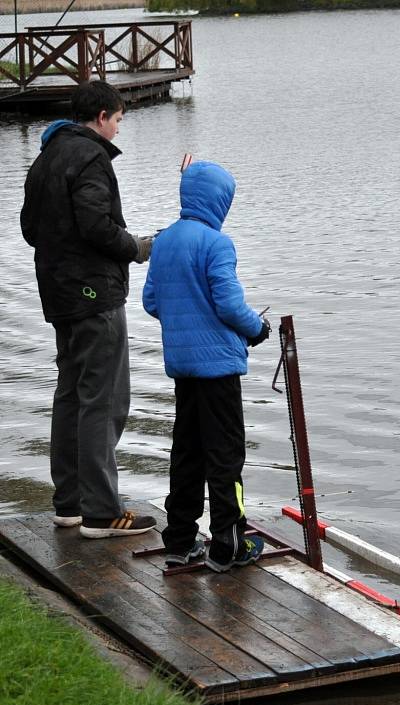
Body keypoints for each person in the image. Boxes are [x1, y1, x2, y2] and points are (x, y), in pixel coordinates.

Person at [20, 80, 156, 539]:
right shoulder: (91, 156)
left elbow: (29, 228)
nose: (118, 130)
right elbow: (97, 225)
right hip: (94, 295)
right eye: (118, 120)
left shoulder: (46, 156)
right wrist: (136, 248)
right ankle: (102, 512)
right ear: (101, 117)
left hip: (58, 294)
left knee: (71, 395)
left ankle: (70, 504)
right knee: (105, 400)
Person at [142, 160, 270, 572]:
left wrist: (185, 322)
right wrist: (258, 328)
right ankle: (229, 544)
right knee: (225, 456)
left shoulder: (163, 242)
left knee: (187, 453)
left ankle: (179, 540)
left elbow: (151, 302)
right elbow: (230, 305)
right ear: (218, 201)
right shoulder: (217, 244)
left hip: (183, 367)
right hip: (218, 369)